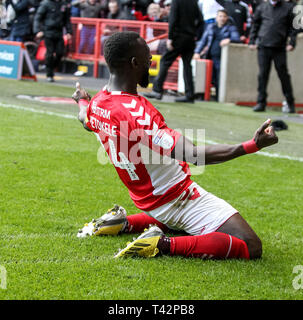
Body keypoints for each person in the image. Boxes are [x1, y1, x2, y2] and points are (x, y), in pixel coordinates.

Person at [72, 31, 278, 260]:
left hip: (146, 199)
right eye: (148, 57)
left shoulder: (98, 103)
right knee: (250, 245)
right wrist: (252, 145)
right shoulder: (137, 113)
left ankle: (122, 222)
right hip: (175, 197)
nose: (151, 62)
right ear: (134, 63)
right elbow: (194, 155)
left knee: (175, 220)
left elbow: (85, 119)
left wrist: (82, 100)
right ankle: (160, 244)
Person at [144, 0, 203, 103]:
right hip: (190, 38)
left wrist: (170, 38)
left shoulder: (176, 1)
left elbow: (173, 19)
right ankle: (190, 95)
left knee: (165, 61)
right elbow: (201, 20)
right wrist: (195, 34)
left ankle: (157, 90)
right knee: (187, 65)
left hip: (177, 37)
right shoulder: (193, 2)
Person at [248, 0, 297, 113]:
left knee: (283, 75)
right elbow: (255, 24)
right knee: (262, 74)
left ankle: (290, 103)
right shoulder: (262, 7)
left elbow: (293, 27)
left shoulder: (288, 8)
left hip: (279, 47)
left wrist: (292, 42)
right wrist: (251, 41)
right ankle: (261, 102)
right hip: (263, 46)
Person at [193, 9, 241, 101]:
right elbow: (203, 41)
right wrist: (197, 52)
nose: (222, 18)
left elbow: (237, 38)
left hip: (223, 58)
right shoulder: (211, 27)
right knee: (208, 77)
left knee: (220, 78)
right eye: (220, 16)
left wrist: (229, 40)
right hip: (210, 57)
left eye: (224, 16)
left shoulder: (231, 28)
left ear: (227, 18)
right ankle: (203, 95)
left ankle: (219, 97)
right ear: (216, 17)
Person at [33, 0, 72, 82]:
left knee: (60, 52)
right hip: (47, 32)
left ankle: (51, 67)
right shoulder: (46, 4)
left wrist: (69, 32)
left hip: (59, 32)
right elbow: (38, 18)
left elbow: (67, 20)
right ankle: (49, 73)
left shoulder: (63, 5)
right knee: (49, 53)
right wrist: (37, 30)